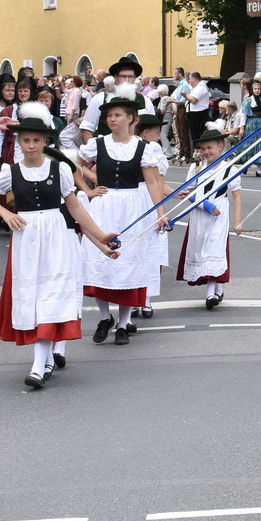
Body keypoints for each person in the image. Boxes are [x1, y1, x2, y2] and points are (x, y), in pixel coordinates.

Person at [0, 106, 120, 388]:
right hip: (27, 238)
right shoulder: (11, 172)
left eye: (36, 140)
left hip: (57, 237)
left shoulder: (59, 169)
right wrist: (7, 214)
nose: (31, 146)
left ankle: (37, 366)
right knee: (35, 299)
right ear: (19, 142)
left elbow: (75, 208)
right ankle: (44, 359)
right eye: (26, 141)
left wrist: (100, 235)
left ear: (45, 141)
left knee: (51, 298)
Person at [79, 85, 168, 345]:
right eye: (109, 115)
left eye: (117, 115)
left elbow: (153, 183)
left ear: (132, 118)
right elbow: (75, 165)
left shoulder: (145, 147)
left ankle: (123, 322)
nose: (112, 119)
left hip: (133, 207)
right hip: (105, 205)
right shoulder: (96, 144)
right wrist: (89, 188)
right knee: (100, 259)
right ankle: (105, 316)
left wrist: (160, 214)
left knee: (130, 261)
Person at [176, 125, 242, 307]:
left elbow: (236, 194)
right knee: (200, 248)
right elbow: (188, 193)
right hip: (200, 213)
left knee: (214, 248)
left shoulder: (229, 169)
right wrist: (204, 205)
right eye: (203, 148)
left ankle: (210, 293)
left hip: (220, 212)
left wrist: (237, 221)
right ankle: (217, 289)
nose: (206, 152)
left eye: (210, 147)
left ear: (221, 146)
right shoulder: (196, 168)